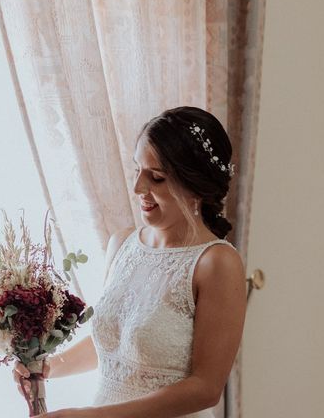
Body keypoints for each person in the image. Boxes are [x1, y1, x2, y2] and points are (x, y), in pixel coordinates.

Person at [13, 106, 246, 418]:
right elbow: (117, 347)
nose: (139, 188)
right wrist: (48, 367)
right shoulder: (122, 243)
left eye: (157, 178)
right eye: (137, 170)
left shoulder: (216, 263)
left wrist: (91, 416)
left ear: (196, 186)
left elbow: (205, 389)